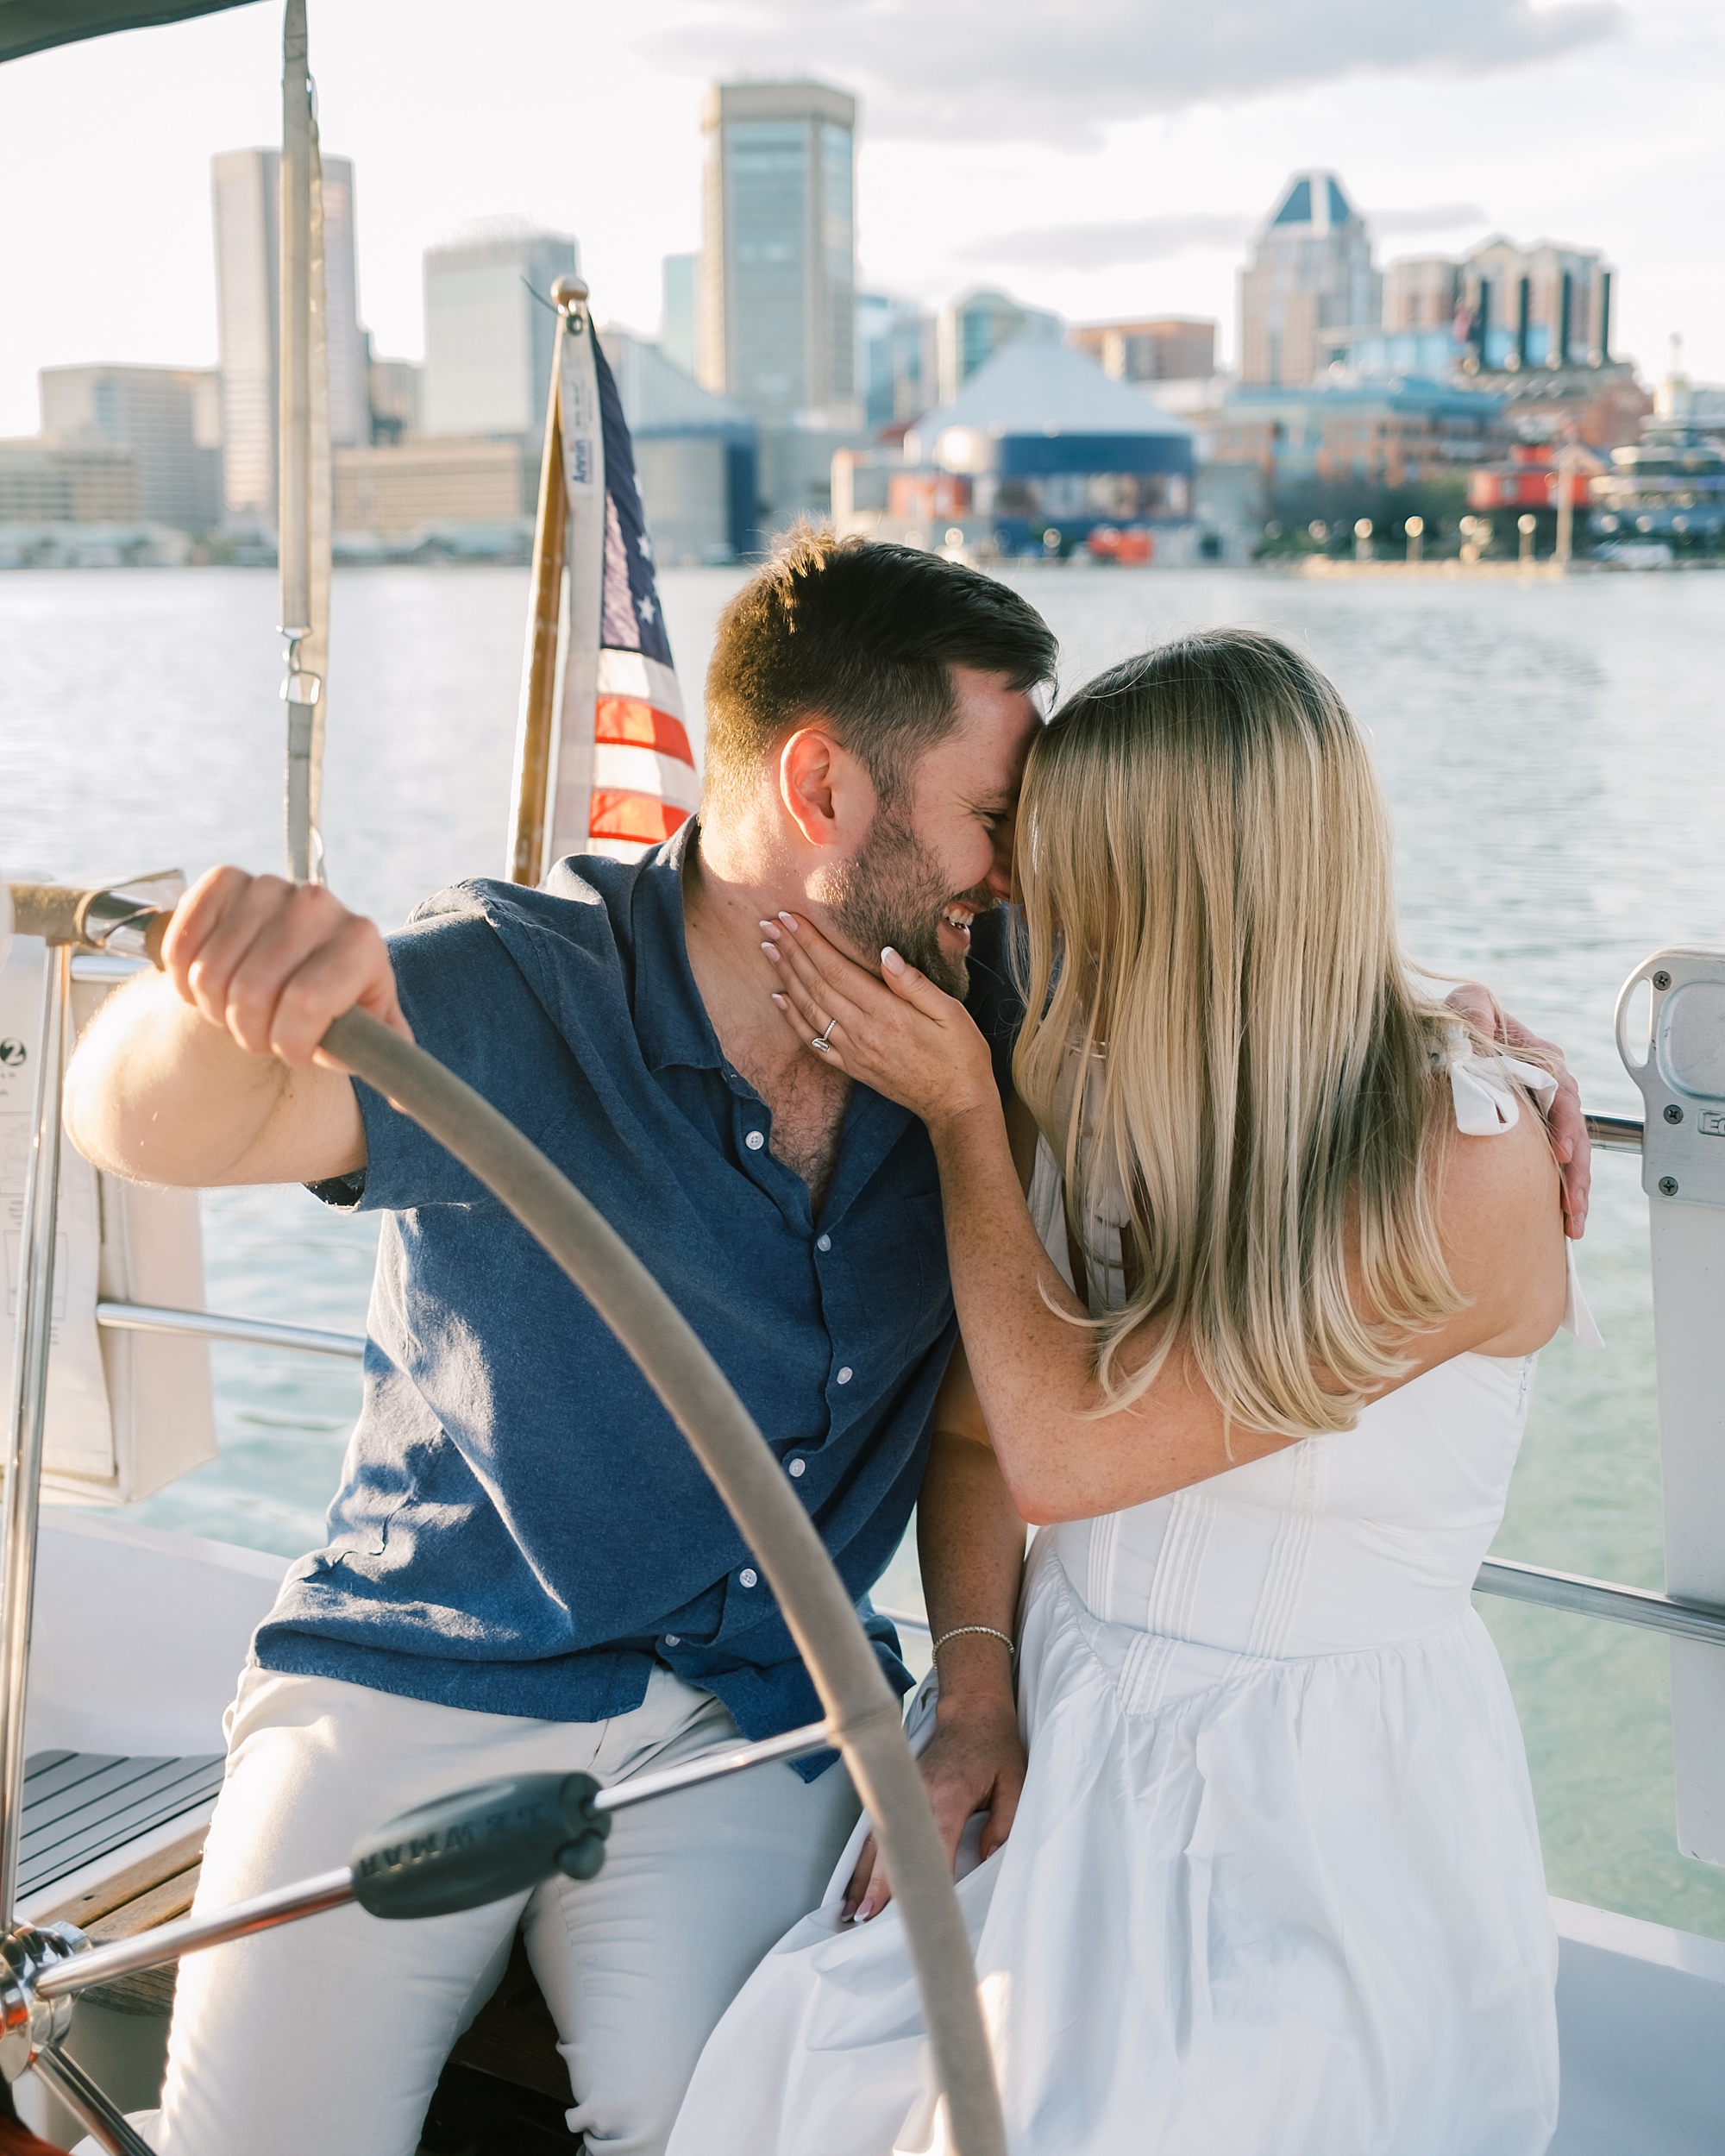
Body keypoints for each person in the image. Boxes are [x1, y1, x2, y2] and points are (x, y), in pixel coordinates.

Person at [66, 537, 1585, 2156]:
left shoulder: (985, 1013)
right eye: (998, 824)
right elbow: (138, 1124)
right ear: (825, 790)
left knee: (723, 2110)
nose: (1018, 885)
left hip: (754, 1704)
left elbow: (1258, 950)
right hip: (435, 1671)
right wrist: (207, 1001)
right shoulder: (522, 983)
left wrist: (1452, 1024)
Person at [671, 628, 1593, 2156]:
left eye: (1068, 869)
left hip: (1318, 1809)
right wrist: (976, 1691)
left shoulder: (1470, 1166)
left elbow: (1059, 1449)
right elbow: (971, 1428)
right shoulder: (1099, 1073)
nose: (1015, 902)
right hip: (1069, 1729)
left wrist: (966, 1113)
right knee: (816, 2075)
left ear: (1189, 895)